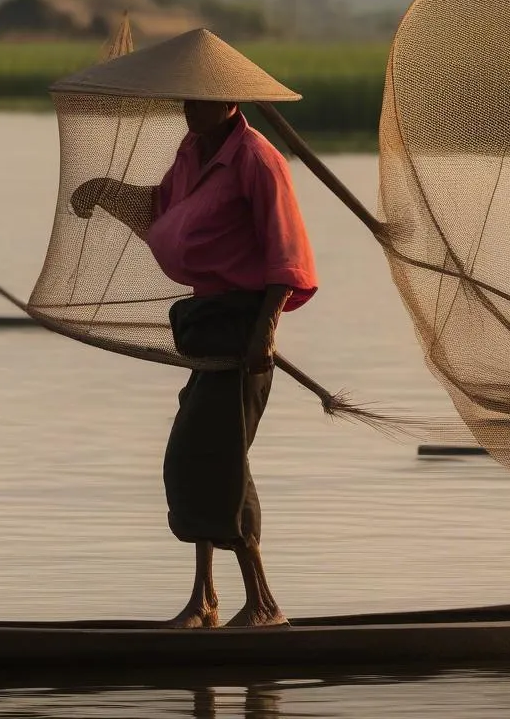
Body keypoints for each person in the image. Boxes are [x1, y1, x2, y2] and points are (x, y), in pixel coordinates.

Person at [70, 97, 317, 628]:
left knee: (220, 462)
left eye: (201, 100)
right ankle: (204, 599)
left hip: (244, 328)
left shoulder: (256, 158)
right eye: (186, 98)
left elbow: (287, 255)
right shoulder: (192, 151)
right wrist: (104, 191)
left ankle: (264, 604)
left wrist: (265, 331)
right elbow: (163, 210)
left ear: (229, 101)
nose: (189, 109)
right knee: (190, 458)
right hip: (207, 322)